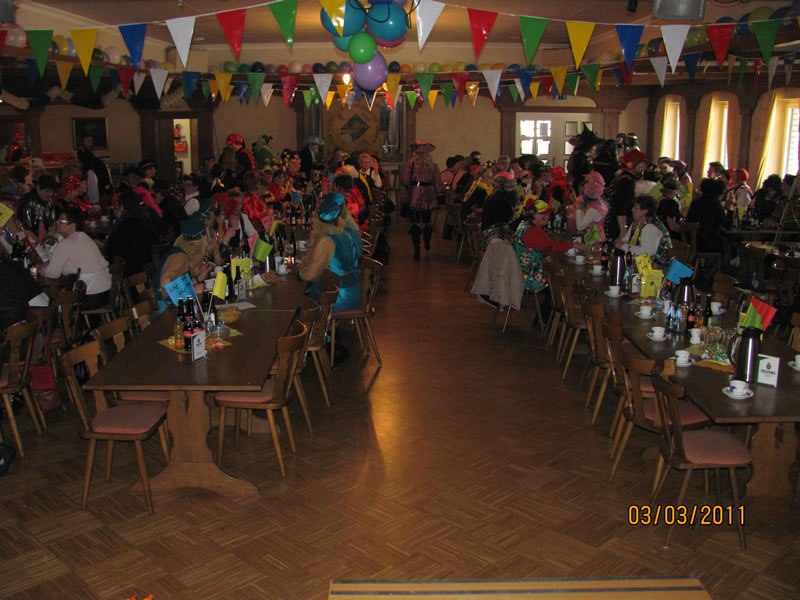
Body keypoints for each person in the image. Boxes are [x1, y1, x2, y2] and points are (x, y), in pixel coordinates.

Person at [299, 193, 361, 312]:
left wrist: (300, 270)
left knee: (301, 299)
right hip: (353, 289)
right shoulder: (344, 233)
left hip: (337, 297)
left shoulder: (326, 240)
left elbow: (310, 275)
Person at [41, 206, 112, 310]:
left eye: (62, 220)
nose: (57, 222)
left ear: (72, 225)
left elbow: (52, 274)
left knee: (53, 304)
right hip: (106, 292)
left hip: (89, 296)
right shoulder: (85, 237)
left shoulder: (66, 243)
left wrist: (41, 269)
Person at [152, 210, 217, 313]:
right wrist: (191, 292)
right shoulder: (180, 258)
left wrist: (198, 279)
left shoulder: (184, 255)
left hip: (171, 307)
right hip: (164, 311)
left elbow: (176, 285)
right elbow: (164, 287)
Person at [514, 197, 580, 293]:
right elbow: (550, 248)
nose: (547, 216)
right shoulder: (531, 231)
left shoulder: (527, 225)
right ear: (533, 215)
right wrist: (573, 245)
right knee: (562, 276)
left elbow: (548, 245)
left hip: (525, 271)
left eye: (548, 213)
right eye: (543, 214)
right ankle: (556, 300)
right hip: (532, 276)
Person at [402, 140, 444, 260]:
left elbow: (405, 179)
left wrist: (409, 186)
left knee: (415, 221)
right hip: (429, 193)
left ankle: (417, 248)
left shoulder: (411, 163)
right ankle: (427, 244)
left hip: (415, 192)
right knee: (427, 220)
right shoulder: (433, 165)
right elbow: (438, 183)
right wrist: (440, 196)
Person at [104, 189, 159, 277]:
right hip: (146, 269)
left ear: (122, 207)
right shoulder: (146, 218)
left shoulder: (124, 224)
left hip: (128, 273)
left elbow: (110, 250)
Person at [615, 195, 672, 267]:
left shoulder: (651, 227)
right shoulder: (636, 223)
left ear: (644, 211)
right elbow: (626, 240)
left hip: (655, 267)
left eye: (636, 208)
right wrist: (619, 243)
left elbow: (647, 252)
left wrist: (622, 246)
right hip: (639, 263)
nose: (632, 210)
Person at [608, 149, 648, 242]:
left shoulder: (624, 178)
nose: (644, 167)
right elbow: (621, 207)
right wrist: (623, 229)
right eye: (642, 164)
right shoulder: (626, 181)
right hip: (620, 224)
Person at [686, 178, 727, 253]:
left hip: (691, 241)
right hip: (707, 243)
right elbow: (726, 224)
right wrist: (730, 209)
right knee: (729, 244)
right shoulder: (716, 205)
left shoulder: (695, 203)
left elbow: (688, 220)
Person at [480, 172, 518, 251]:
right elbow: (509, 221)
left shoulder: (493, 195)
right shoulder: (500, 198)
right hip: (493, 239)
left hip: (486, 234)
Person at [16, 174, 60, 241]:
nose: (50, 194)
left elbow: (51, 224)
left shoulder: (49, 201)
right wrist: (39, 244)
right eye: (47, 191)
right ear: (38, 187)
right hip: (29, 240)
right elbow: (25, 229)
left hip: (45, 240)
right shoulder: (27, 201)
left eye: (52, 191)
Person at [574, 171, 608, 240]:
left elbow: (580, 226)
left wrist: (579, 208)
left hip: (596, 241)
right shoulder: (601, 203)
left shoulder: (594, 209)